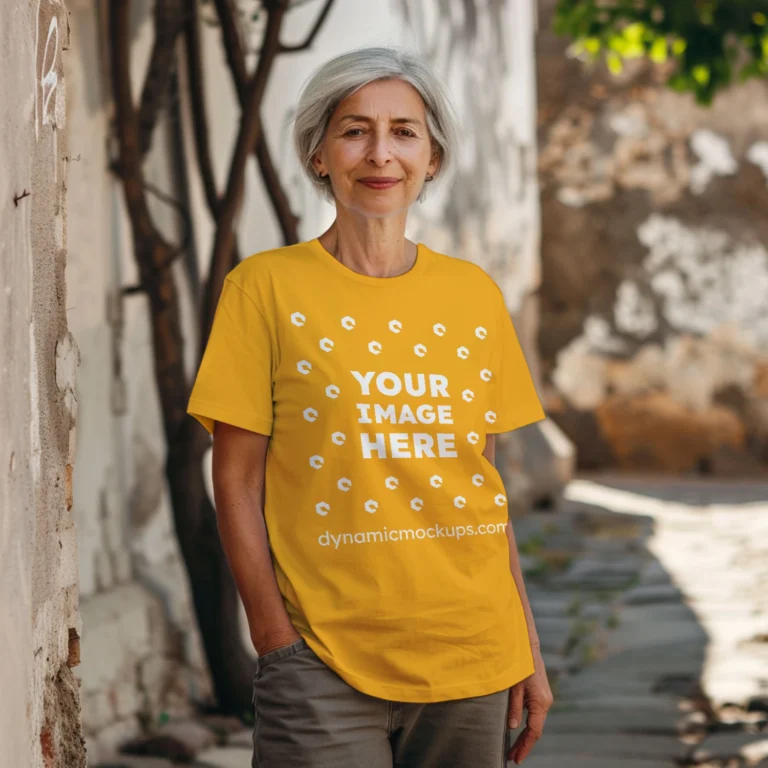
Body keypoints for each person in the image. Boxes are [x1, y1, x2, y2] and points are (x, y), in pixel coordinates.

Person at [187, 46, 553, 768]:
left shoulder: (473, 294)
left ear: (432, 158)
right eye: (355, 130)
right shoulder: (263, 290)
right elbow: (234, 480)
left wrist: (528, 649)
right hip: (321, 657)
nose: (380, 153)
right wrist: (274, 639)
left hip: (472, 651)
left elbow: (479, 486)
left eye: (404, 132)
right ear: (319, 153)